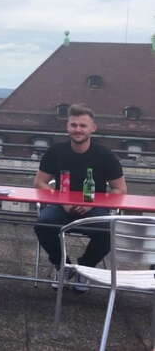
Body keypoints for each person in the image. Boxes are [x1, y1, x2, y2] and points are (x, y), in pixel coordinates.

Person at [33, 103, 126, 292]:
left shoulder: (105, 155)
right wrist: (62, 202)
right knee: (43, 224)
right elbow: (40, 183)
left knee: (110, 231)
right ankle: (63, 267)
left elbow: (120, 189)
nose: (78, 130)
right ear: (67, 127)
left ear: (93, 128)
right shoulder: (56, 151)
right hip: (62, 206)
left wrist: (93, 204)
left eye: (83, 126)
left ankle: (85, 268)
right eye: (74, 125)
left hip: (94, 207)